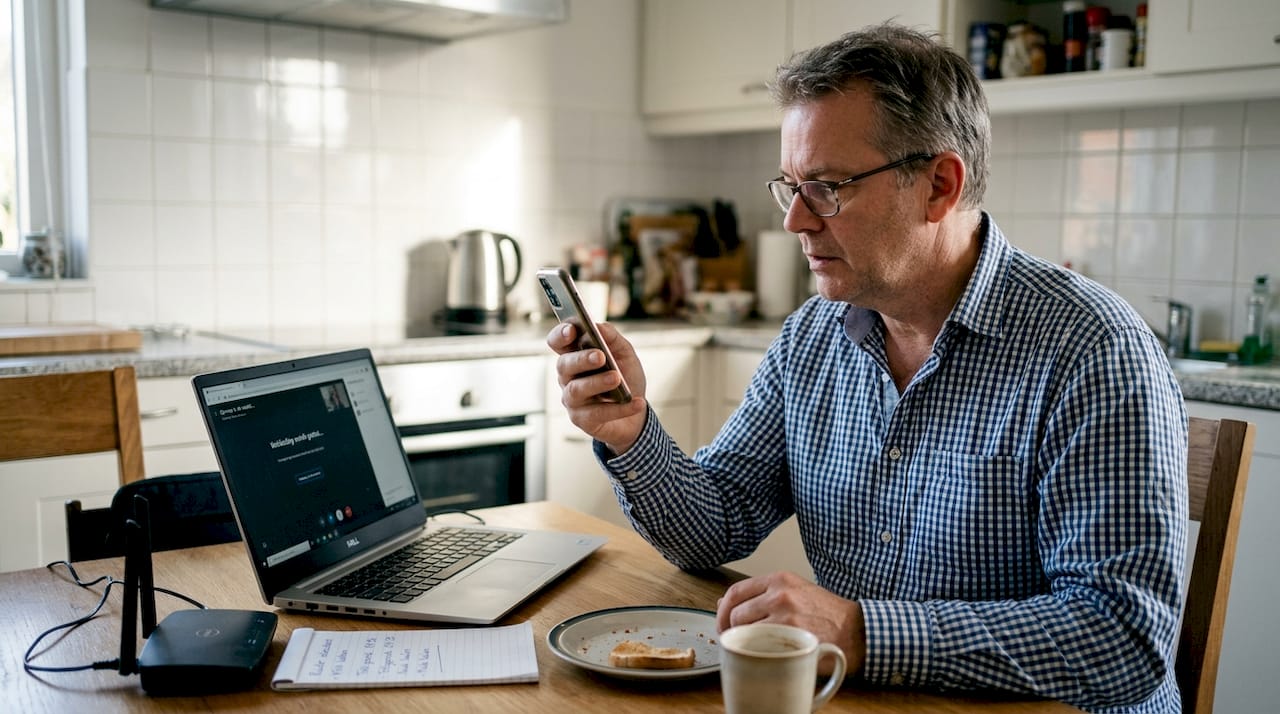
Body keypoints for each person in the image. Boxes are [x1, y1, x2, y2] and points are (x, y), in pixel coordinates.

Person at [546, 23, 1186, 714]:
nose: (794, 220)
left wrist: (860, 632)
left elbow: (1123, 638)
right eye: (789, 186)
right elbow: (715, 526)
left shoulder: (1092, 348)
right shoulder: (813, 337)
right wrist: (630, 432)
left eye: (825, 186)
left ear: (939, 185)